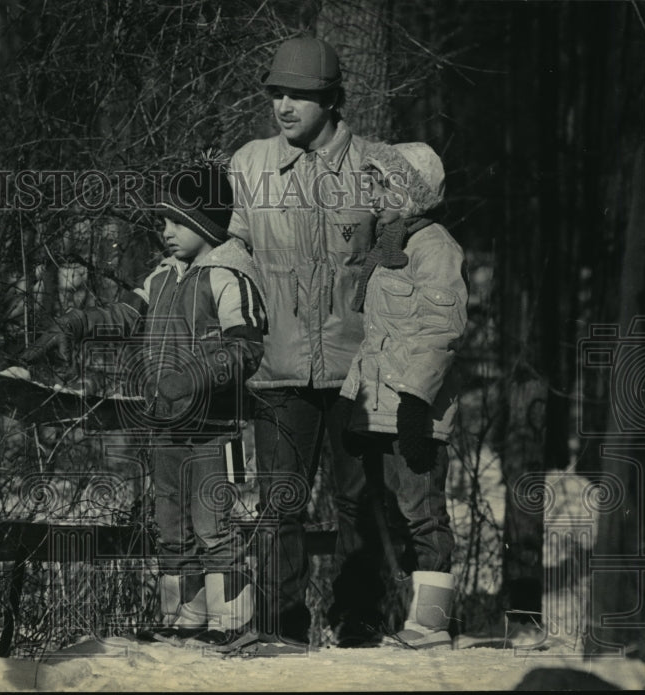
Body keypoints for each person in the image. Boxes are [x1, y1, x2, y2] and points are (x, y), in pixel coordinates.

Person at [21, 165, 268, 646]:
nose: (166, 232)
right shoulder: (163, 276)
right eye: (163, 222)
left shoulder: (230, 275)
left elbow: (246, 348)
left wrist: (193, 376)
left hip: (217, 428)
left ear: (206, 224)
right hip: (166, 426)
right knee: (171, 526)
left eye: (177, 222)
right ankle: (186, 618)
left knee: (213, 525)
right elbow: (124, 314)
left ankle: (232, 623)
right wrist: (75, 324)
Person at [222, 36, 380, 653]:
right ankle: (278, 628)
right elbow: (231, 246)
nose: (284, 105)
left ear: (331, 99)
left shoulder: (373, 167)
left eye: (300, 95)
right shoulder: (250, 163)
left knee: (359, 502)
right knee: (280, 503)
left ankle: (359, 622)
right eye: (277, 93)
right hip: (280, 366)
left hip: (357, 368)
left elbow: (401, 261)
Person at [336, 141, 468, 649]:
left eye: (383, 184)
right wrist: (354, 402)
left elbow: (442, 332)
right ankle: (409, 619)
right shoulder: (388, 247)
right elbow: (377, 341)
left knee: (423, 515)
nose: (373, 194)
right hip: (379, 413)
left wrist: (415, 401)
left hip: (415, 413)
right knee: (389, 515)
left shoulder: (435, 246)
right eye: (370, 183)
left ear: (410, 192)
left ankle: (433, 623)